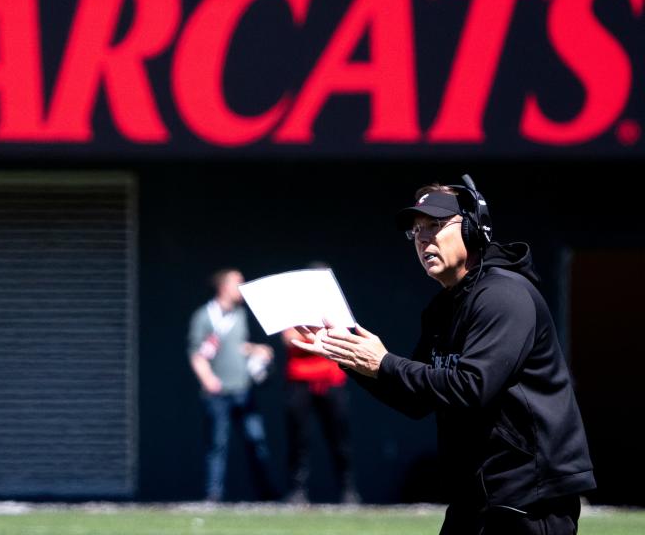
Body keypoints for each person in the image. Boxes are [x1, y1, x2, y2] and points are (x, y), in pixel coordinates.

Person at [293, 175, 596, 534]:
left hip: (527, 500)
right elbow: (415, 399)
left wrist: (385, 363)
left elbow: (472, 387)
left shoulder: (503, 295)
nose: (422, 238)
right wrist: (347, 354)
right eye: (416, 231)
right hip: (477, 497)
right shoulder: (445, 306)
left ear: (472, 228)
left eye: (435, 225)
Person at [188, 268, 279, 502]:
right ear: (223, 287)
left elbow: (239, 346)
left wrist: (257, 349)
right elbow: (196, 352)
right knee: (217, 444)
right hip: (217, 392)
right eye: (237, 283)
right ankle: (213, 494)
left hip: (243, 390)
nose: (242, 288)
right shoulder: (204, 315)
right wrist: (208, 380)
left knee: (256, 440)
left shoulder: (239, 315)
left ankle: (266, 494)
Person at [280, 261, 360, 505]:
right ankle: (297, 491)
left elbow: (344, 336)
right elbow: (289, 338)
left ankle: (348, 490)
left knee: (339, 438)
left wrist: (316, 337)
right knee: (298, 439)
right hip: (300, 380)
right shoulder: (294, 305)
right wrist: (320, 336)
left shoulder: (335, 305)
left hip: (330, 379)